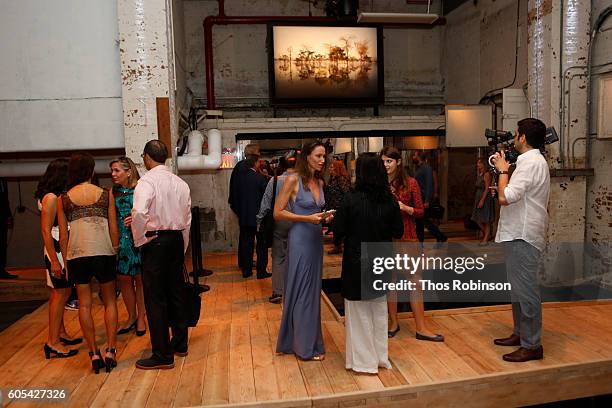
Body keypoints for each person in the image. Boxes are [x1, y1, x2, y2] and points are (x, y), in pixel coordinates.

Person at [334, 153, 403, 374]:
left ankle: (364, 363)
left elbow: (338, 230)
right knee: (379, 312)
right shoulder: (390, 200)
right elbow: (398, 231)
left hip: (357, 261)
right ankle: (381, 358)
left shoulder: (351, 199)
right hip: (381, 259)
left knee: (358, 314)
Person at [491, 118, 550, 362]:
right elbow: (514, 194)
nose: (513, 138)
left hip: (523, 234)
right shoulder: (531, 161)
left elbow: (506, 198)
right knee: (517, 289)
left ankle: (532, 344)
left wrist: (503, 171)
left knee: (525, 291)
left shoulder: (530, 163)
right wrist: (505, 180)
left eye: (516, 134)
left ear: (523, 137)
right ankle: (520, 333)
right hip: (518, 231)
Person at [131, 140, 192, 370]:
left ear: (147, 157)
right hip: (176, 240)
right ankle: (180, 344)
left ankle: (162, 354)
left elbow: (138, 213)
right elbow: (187, 219)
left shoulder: (146, 182)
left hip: (154, 241)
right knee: (176, 292)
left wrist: (140, 240)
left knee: (155, 298)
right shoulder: (180, 183)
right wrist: (182, 244)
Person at [57, 153, 119, 373]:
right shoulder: (105, 194)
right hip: (103, 251)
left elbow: (63, 236)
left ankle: (93, 352)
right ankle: (111, 349)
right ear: (91, 171)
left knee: (84, 304)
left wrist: (65, 262)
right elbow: (113, 227)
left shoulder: (63, 199)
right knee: (110, 301)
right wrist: (116, 250)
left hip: (77, 254)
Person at [274, 141, 330, 360]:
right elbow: (277, 213)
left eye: (324, 156)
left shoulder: (320, 181)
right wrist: (305, 218)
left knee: (312, 293)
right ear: (306, 156)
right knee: (302, 293)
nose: (322, 160)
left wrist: (325, 216)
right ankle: (304, 347)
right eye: (318, 156)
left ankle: (306, 341)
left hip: (316, 240)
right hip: (300, 240)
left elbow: (317, 211)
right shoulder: (292, 180)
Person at [381, 146, 443, 342]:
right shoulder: (380, 185)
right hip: (387, 239)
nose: (386, 165)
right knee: (390, 282)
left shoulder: (411, 183)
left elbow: (421, 212)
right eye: (383, 161)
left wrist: (405, 208)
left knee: (415, 282)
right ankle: (394, 322)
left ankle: (421, 327)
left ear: (398, 162)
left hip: (408, 238)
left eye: (389, 161)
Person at [35, 159, 82, 359]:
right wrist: (55, 260)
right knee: (59, 294)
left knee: (63, 293)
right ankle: (52, 342)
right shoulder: (51, 198)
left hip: (60, 249)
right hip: (56, 250)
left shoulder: (53, 196)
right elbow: (45, 231)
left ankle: (60, 333)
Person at [110, 157, 147, 337]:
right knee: (124, 279)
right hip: (122, 241)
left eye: (117, 170)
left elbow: (151, 212)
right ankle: (131, 316)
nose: (113, 174)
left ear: (129, 171)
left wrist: (136, 218)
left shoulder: (140, 189)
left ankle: (141, 317)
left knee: (140, 280)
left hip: (138, 238)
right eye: (112, 171)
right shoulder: (113, 192)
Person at [256, 151, 297, 304]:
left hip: (279, 221)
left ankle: (277, 292)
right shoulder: (301, 181)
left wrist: (259, 221)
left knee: (278, 257)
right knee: (295, 257)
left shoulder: (274, 181)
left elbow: (266, 203)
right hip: (297, 222)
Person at [228, 143, 270, 279]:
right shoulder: (258, 177)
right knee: (261, 244)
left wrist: (238, 209)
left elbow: (234, 192)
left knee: (246, 241)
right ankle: (261, 271)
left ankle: (246, 269)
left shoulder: (240, 170)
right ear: (255, 158)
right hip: (258, 216)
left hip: (244, 213)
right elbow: (265, 198)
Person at [413, 151, 447, 243]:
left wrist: (427, 200)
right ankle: (422, 241)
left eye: (415, 155)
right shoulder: (419, 168)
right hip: (419, 198)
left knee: (423, 221)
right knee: (421, 221)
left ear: (419, 157)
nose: (413, 156)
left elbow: (429, 184)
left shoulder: (427, 168)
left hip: (424, 198)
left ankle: (440, 237)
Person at [324, 159, 351, 254]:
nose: (330, 169)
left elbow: (347, 193)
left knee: (339, 228)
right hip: (333, 208)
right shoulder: (333, 179)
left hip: (339, 208)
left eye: (331, 167)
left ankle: (338, 246)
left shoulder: (341, 179)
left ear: (337, 168)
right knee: (335, 228)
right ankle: (337, 246)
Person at [471, 158, 495, 245]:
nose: (477, 165)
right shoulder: (479, 173)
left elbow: (487, 188)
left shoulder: (487, 174)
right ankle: (487, 235)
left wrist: (482, 200)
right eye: (477, 163)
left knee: (486, 219)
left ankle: (485, 238)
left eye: (479, 163)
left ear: (484, 164)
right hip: (478, 196)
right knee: (477, 218)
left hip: (485, 197)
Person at [0, 178, 17, 279]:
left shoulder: (3, 179)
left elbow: (5, 199)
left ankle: (1, 270)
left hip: (2, 215)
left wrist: (9, 215)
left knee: (2, 243)